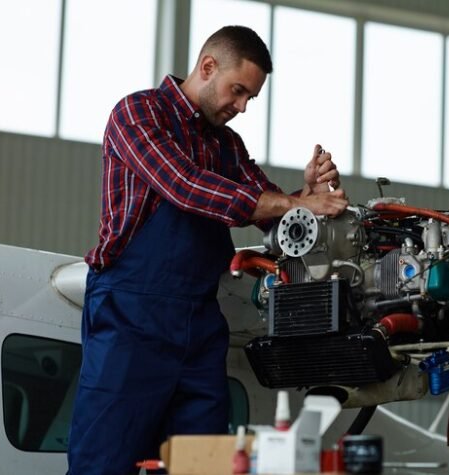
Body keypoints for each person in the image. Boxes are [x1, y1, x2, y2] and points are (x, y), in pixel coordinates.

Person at [67, 25, 348, 475]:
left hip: (199, 325)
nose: (240, 107)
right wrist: (297, 203)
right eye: (238, 91)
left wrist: (306, 195)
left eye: (249, 99)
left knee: (202, 467)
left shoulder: (227, 146)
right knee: (103, 463)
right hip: (131, 318)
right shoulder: (138, 113)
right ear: (208, 66)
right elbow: (185, 186)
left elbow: (272, 211)